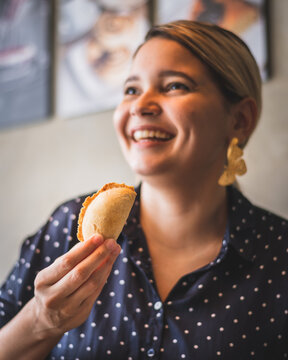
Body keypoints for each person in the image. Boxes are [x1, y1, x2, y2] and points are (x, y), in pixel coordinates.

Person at [0, 20, 287, 359]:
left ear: (238, 120)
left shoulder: (278, 257)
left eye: (175, 86)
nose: (140, 105)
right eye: (132, 89)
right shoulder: (67, 227)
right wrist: (40, 321)